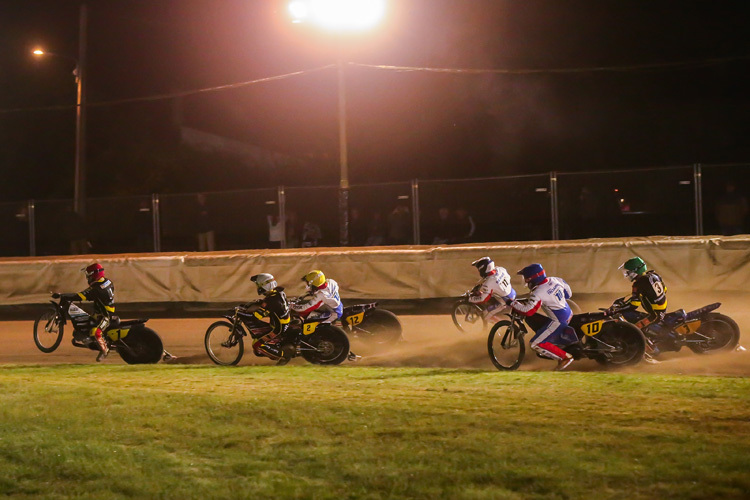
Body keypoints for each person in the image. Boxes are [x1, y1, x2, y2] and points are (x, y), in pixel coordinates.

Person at [506, 263, 576, 371]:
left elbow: (528, 311)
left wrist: (512, 303)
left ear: (532, 278)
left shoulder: (537, 292)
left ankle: (565, 358)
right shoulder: (555, 279)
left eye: (526, 278)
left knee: (535, 343)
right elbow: (568, 294)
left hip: (558, 322)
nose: (525, 281)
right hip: (569, 313)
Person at [610, 256, 668, 360]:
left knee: (634, 330)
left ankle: (652, 352)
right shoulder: (654, 275)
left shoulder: (638, 283)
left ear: (635, 271)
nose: (626, 275)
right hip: (661, 311)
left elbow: (634, 305)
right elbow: (665, 289)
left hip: (654, 315)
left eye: (628, 272)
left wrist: (617, 309)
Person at [55, 263, 115, 361]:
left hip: (105, 316)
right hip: (98, 314)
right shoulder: (108, 282)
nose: (88, 277)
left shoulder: (97, 289)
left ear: (95, 274)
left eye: (89, 274)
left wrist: (64, 296)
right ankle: (91, 341)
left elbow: (81, 296)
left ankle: (105, 350)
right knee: (83, 328)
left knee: (96, 332)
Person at [244, 273, 292, 362]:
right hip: (285, 323)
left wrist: (241, 314)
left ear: (264, 285)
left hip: (278, 329)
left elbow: (256, 317)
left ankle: (282, 357)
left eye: (258, 285)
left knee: (256, 345)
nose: (257, 287)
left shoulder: (270, 301)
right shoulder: (279, 292)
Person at [467, 257, 516, 323]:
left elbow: (483, 299)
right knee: (491, 294)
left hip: (504, 302)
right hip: (512, 293)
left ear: (483, 269)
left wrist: (470, 299)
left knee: (484, 315)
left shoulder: (488, 283)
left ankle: (501, 327)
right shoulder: (500, 269)